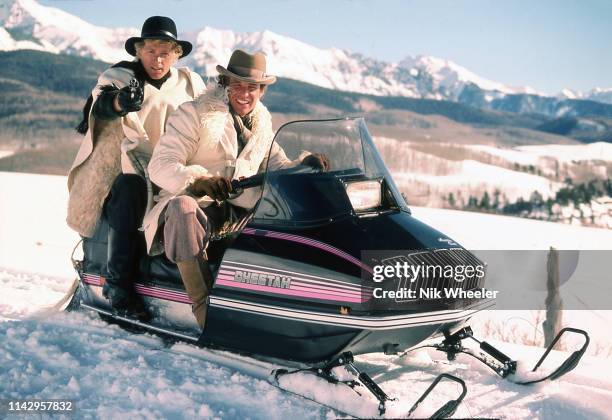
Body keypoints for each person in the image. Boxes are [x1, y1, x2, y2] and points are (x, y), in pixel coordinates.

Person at [143, 50, 329, 329]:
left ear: (262, 91)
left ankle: (295, 304)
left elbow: (277, 164)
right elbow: (160, 165)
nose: (244, 94)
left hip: (238, 211)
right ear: (225, 83)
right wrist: (198, 181)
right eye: (237, 85)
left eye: (251, 87)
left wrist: (305, 163)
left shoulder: (262, 123)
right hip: (197, 210)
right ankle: (205, 313)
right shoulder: (195, 114)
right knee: (182, 208)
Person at [66, 16, 206, 320]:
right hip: (133, 164)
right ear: (139, 51)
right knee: (128, 190)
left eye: (165, 52)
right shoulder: (119, 76)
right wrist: (120, 102)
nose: (158, 59)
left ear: (176, 54)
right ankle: (118, 288)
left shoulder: (190, 82)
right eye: (151, 51)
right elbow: (101, 103)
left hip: (177, 164)